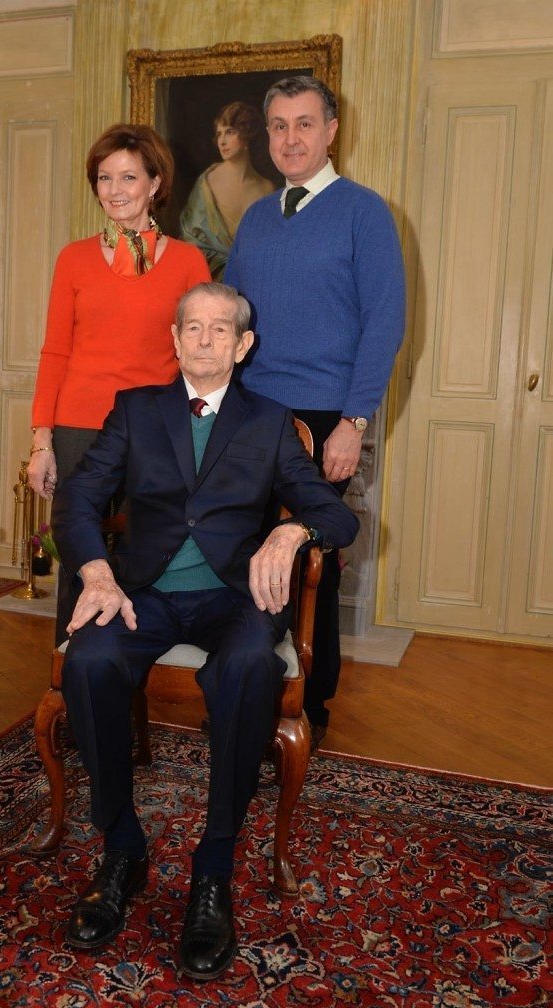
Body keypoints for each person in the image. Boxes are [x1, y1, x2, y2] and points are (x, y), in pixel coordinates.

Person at [52, 283, 359, 979]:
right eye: (193, 327)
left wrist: (290, 530)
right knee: (89, 662)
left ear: (244, 345)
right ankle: (122, 848)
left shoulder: (270, 420)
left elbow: (335, 516)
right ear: (175, 337)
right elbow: (79, 495)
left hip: (232, 597)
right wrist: (96, 571)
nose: (205, 339)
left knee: (250, 664)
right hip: (144, 593)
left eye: (221, 330)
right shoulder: (136, 410)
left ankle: (213, 866)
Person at [225, 76, 406, 749]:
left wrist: (352, 424)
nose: (290, 138)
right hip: (253, 411)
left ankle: (310, 700)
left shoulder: (365, 212)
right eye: (278, 126)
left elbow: (385, 320)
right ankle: (247, 680)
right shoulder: (255, 219)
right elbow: (235, 315)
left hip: (326, 412)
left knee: (309, 561)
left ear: (332, 130)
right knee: (243, 548)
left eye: (304, 124)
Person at [29, 123, 211, 643]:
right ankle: (73, 675)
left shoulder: (189, 262)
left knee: (148, 557)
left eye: (128, 176)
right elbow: (55, 350)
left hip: (155, 428)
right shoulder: (73, 258)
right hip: (79, 428)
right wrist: (42, 441)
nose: (115, 190)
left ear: (155, 183)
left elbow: (199, 354)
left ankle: (134, 665)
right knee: (78, 557)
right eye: (104, 178)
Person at [180, 102, 274, 280]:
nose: (222, 142)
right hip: (208, 282)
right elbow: (191, 240)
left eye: (230, 132)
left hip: (253, 282)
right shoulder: (207, 182)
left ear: (246, 135)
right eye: (219, 134)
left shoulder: (266, 188)